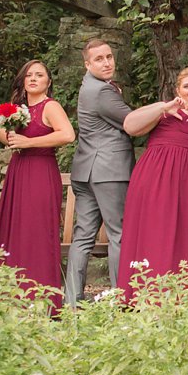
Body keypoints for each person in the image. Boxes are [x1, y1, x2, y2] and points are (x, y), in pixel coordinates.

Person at [0, 60, 74, 307]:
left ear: (48, 82)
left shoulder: (50, 106)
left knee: (36, 231)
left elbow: (67, 135)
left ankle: (39, 296)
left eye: (39, 75)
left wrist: (27, 143)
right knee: (14, 231)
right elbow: (8, 139)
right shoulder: (17, 108)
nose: (33, 79)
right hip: (18, 171)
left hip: (40, 171)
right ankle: (9, 296)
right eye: (29, 75)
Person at [117, 67, 188, 303]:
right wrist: (162, 107)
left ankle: (185, 298)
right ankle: (148, 296)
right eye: (186, 86)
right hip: (156, 183)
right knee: (155, 236)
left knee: (186, 236)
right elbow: (130, 126)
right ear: (177, 91)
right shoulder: (164, 113)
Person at [65, 38, 137, 306]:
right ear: (87, 63)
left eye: (109, 56)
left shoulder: (89, 85)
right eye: (99, 59)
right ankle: (120, 300)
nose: (107, 62)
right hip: (108, 171)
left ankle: (72, 301)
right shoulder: (102, 92)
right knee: (119, 234)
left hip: (86, 170)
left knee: (82, 237)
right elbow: (132, 121)